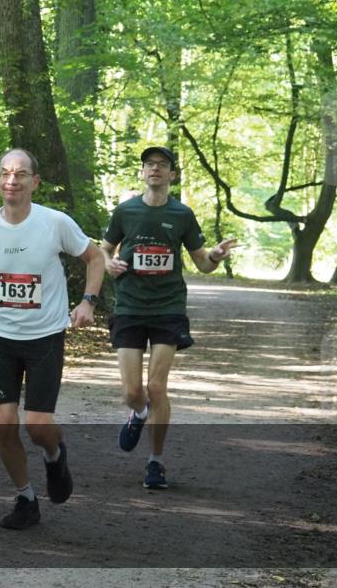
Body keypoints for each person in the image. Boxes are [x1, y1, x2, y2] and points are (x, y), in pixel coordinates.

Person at [0, 149, 105, 530]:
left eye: (21, 174)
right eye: (6, 174)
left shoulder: (55, 222)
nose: (12, 180)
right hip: (1, 338)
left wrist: (88, 302)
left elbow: (95, 258)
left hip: (44, 337)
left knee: (37, 425)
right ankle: (25, 498)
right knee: (3, 424)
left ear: (34, 182)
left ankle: (55, 454)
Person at [100, 146, 236, 489]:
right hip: (130, 305)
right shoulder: (126, 211)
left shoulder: (182, 215)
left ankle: (155, 463)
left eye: (162, 165)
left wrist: (216, 255)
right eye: (150, 165)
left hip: (168, 307)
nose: (155, 169)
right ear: (142, 173)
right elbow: (104, 248)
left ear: (172, 175)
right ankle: (138, 412)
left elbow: (202, 262)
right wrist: (108, 263)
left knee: (156, 387)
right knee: (133, 392)